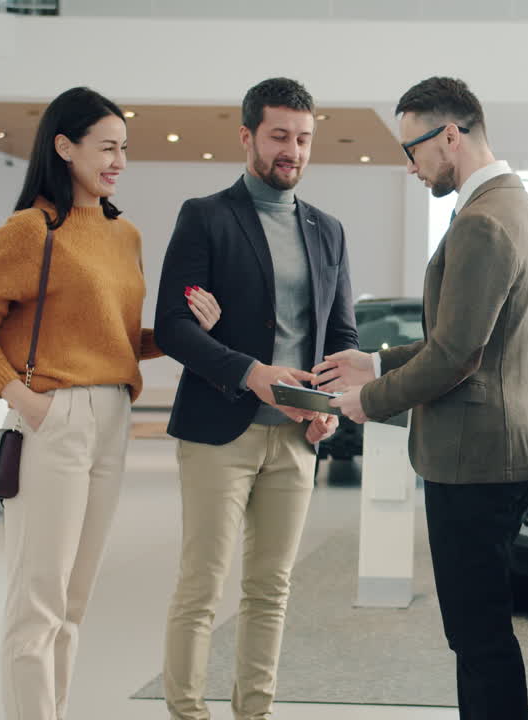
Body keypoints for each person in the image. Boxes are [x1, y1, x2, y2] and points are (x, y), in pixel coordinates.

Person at [0, 86, 220, 720]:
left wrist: (185, 336)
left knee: (73, 600)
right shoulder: (28, 231)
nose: (119, 160)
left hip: (112, 419)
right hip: (54, 416)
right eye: (106, 147)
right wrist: (22, 397)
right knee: (36, 602)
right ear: (64, 147)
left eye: (124, 149)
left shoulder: (124, 235)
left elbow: (116, 339)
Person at [314, 76, 528, 720]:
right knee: (481, 634)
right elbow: (466, 338)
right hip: (496, 451)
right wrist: (373, 362)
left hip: (477, 457)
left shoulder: (484, 221)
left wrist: (372, 400)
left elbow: (458, 356)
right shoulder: (513, 206)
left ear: (451, 135)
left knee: (478, 639)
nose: (411, 166)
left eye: (412, 149)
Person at [154, 77, 358, 720]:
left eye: (302, 138)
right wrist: (249, 372)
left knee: (271, 588)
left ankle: (255, 712)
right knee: (202, 587)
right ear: (247, 136)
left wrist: (327, 409)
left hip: (298, 438)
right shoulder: (205, 215)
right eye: (278, 136)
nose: (291, 150)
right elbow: (172, 328)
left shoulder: (329, 231)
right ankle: (186, 711)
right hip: (220, 429)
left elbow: (342, 336)